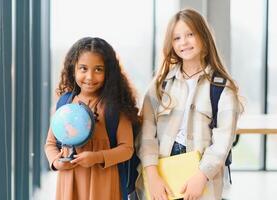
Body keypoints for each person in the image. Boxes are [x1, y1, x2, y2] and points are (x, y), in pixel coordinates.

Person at [136, 8, 242, 200]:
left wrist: (201, 176)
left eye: (190, 34)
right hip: (161, 171)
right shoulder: (160, 85)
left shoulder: (222, 88)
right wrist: (152, 175)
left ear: (203, 36)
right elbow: (146, 134)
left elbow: (223, 142)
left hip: (202, 174)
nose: (183, 42)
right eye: (176, 38)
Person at [45, 37, 141, 200]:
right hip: (70, 182)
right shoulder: (65, 103)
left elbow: (127, 149)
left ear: (109, 72)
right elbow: (50, 143)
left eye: (98, 69)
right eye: (83, 68)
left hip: (104, 183)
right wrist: (56, 161)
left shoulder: (116, 106)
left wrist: (96, 157)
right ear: (73, 69)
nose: (90, 76)